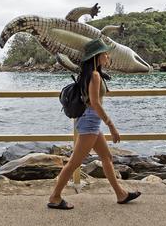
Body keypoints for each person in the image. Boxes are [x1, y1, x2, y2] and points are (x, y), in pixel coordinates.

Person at [48, 39, 141, 210]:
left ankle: (121, 194)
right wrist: (112, 126)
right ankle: (54, 197)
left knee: (106, 157)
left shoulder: (89, 73)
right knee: (74, 163)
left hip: (89, 120)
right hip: (90, 120)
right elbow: (95, 103)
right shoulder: (95, 75)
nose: (107, 56)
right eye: (105, 53)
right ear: (97, 56)